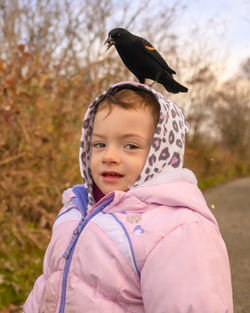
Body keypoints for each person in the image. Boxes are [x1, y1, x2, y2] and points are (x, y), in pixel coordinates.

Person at [23, 81, 233, 313]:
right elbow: (47, 285)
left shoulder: (179, 230)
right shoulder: (76, 209)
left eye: (130, 146)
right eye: (100, 144)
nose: (109, 156)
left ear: (161, 153)